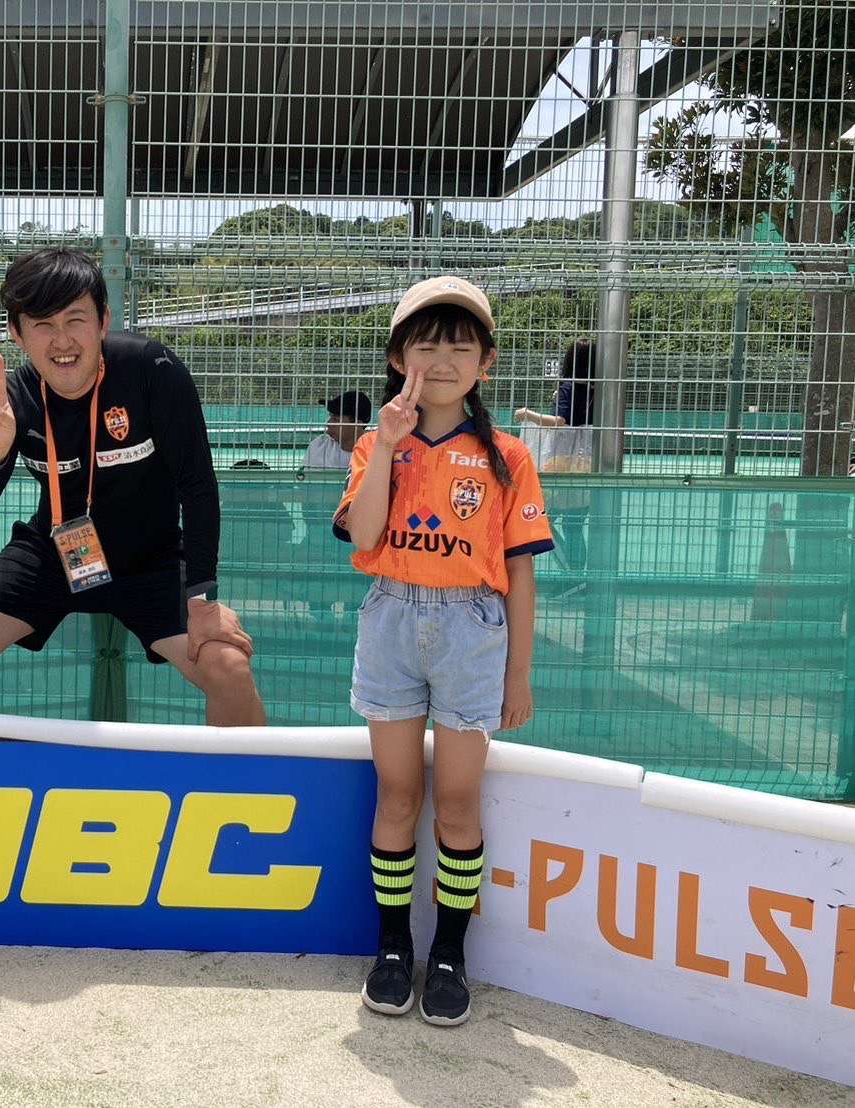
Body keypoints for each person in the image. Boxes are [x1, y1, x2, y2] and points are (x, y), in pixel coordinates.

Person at [0, 248, 266, 726]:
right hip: (52, 553)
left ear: (103, 321)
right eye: (42, 324)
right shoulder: (12, 399)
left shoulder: (152, 369)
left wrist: (202, 600)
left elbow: (197, 486)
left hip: (152, 559)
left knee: (230, 669)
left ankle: (242, 778)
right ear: (16, 333)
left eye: (75, 319)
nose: (62, 341)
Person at [333, 277, 554, 1025]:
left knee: (457, 803)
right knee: (397, 796)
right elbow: (365, 536)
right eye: (426, 344)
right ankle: (394, 948)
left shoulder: (508, 456)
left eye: (462, 345)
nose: (444, 359)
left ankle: (451, 955)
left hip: (472, 631)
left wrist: (518, 673)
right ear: (399, 359)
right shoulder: (375, 445)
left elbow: (521, 572)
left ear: (487, 362)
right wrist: (389, 445)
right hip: (391, 620)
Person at [516, 340, 595, 573]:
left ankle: (568, 570)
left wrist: (528, 414)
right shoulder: (601, 389)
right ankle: (577, 573)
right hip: (586, 462)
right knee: (574, 525)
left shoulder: (567, 387)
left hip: (560, 463)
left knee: (544, 520)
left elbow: (560, 421)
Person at [305, 390, 372, 470]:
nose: (329, 423)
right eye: (330, 417)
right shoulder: (319, 446)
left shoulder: (376, 452)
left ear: (358, 424)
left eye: (336, 419)